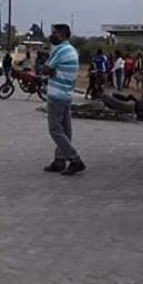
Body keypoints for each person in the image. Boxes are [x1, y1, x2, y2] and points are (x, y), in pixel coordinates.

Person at [42, 24, 85, 176]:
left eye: (53, 33)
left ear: (61, 34)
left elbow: (46, 69)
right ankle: (59, 160)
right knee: (66, 130)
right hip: (67, 94)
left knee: (55, 129)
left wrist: (49, 69)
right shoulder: (72, 50)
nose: (51, 35)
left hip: (57, 94)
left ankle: (75, 160)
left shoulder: (60, 50)